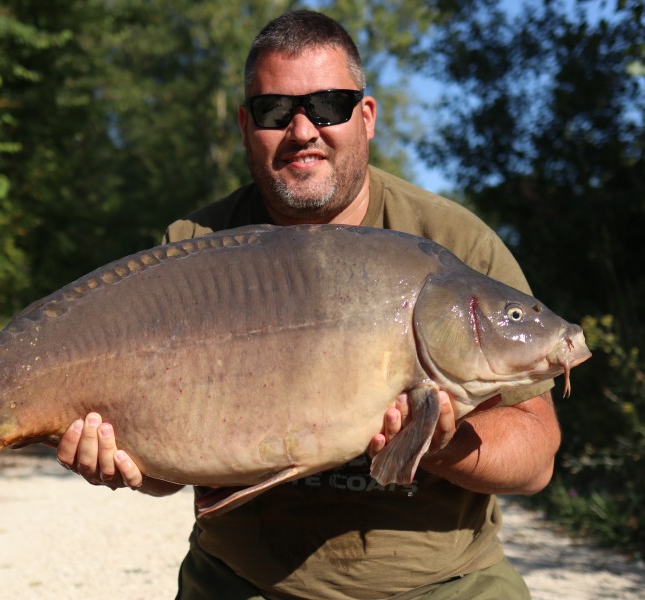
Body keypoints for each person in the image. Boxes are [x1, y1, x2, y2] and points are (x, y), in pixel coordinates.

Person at [57, 10, 559, 599]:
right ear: (246, 125)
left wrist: (439, 445)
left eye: (329, 106)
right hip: (241, 581)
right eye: (275, 111)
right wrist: (124, 462)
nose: (302, 130)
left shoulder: (453, 244)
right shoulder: (194, 247)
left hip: (439, 583)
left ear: (365, 117)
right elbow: (170, 475)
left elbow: (535, 459)